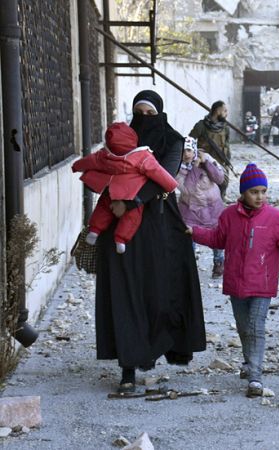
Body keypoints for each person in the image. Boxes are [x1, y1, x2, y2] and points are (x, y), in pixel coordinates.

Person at [95, 90, 206, 394]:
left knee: (158, 291)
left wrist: (129, 204)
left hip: (158, 224)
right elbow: (109, 170)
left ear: (160, 113)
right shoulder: (124, 138)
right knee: (124, 291)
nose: (144, 119)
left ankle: (157, 348)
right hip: (120, 226)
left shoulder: (173, 140)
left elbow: (165, 178)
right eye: (138, 112)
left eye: (150, 113)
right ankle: (128, 366)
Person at [190, 163, 279, 397]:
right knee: (243, 328)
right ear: (243, 193)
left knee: (255, 327)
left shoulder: (275, 217)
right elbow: (218, 238)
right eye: (254, 192)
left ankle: (255, 377)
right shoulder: (229, 215)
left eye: (263, 191)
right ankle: (248, 362)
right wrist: (194, 232)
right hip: (235, 284)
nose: (259, 196)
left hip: (262, 284)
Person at [72, 122, 178, 254]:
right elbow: (158, 172)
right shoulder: (142, 157)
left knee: (103, 207)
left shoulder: (104, 155)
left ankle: (95, 230)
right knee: (133, 215)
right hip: (131, 194)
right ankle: (121, 239)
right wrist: (171, 185)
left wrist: (75, 166)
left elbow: (88, 161)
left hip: (110, 191)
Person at [176, 136, 226, 278]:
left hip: (212, 208)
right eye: (183, 151)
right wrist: (196, 169)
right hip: (190, 210)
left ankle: (219, 262)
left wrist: (206, 163)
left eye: (189, 150)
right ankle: (190, 266)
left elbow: (220, 178)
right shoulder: (177, 167)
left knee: (217, 236)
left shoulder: (206, 158)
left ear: (194, 150)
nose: (186, 154)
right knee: (189, 237)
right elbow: (188, 189)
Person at [190, 101, 232, 199]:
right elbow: (190, 141)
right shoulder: (201, 126)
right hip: (206, 162)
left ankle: (222, 197)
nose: (227, 113)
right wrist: (197, 155)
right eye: (224, 110)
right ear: (217, 111)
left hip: (221, 161)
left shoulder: (225, 127)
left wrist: (228, 159)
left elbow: (227, 145)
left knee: (223, 181)